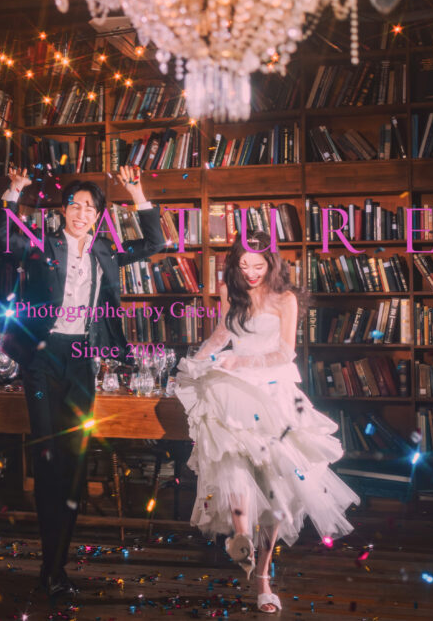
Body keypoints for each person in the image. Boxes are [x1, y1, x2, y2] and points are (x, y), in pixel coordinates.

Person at [0, 164, 165, 602]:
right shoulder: (41, 246)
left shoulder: (106, 251)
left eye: (89, 207)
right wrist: (14, 190)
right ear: (63, 210)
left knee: (73, 464)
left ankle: (55, 568)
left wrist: (137, 193)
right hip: (42, 359)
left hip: (83, 359)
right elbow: (4, 239)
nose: (81, 212)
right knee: (49, 460)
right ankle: (50, 568)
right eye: (74, 205)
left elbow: (156, 243)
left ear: (98, 216)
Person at [174, 231, 360, 614]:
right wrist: (194, 362)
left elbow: (285, 352)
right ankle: (241, 537)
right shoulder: (230, 292)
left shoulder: (285, 298)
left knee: (280, 482)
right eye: (243, 265)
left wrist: (241, 361)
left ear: (271, 263)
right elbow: (222, 334)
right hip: (233, 387)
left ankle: (262, 575)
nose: (250, 273)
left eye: (257, 266)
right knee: (231, 458)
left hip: (273, 389)